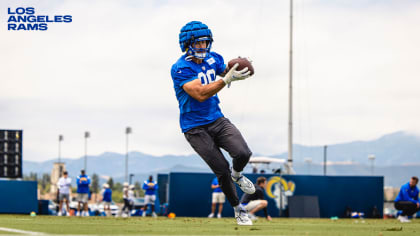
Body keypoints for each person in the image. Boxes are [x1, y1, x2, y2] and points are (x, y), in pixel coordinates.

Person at [171, 21, 255, 225]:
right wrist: (226, 80)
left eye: (205, 42)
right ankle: (238, 209)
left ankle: (238, 174)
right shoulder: (180, 68)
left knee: (243, 153)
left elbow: (224, 70)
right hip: (194, 128)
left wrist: (238, 67)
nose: (203, 47)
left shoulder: (213, 57)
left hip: (217, 119)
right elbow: (200, 93)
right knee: (221, 169)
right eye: (198, 43)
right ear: (187, 44)